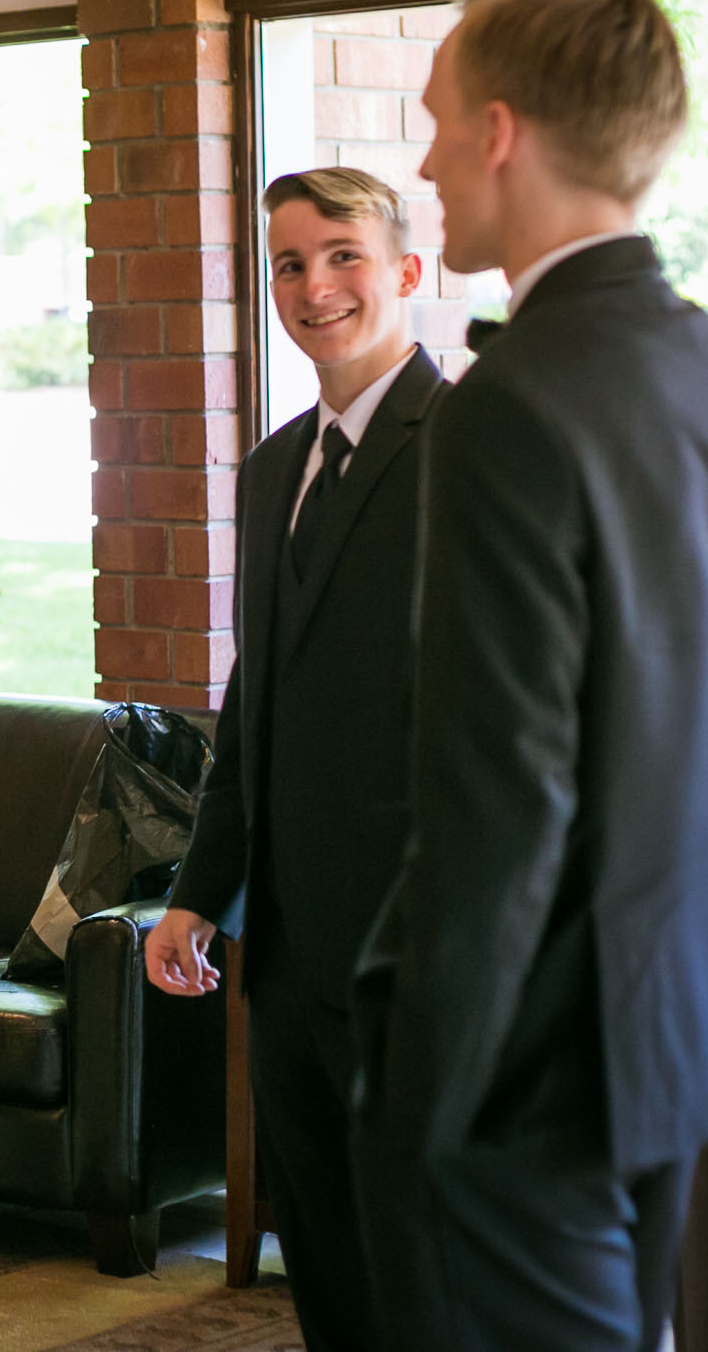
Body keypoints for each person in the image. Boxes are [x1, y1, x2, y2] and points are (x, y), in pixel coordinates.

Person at [350, 0, 708, 1352]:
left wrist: (416, 1104)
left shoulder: (510, 409)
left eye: (436, 123)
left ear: (502, 131)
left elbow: (499, 798)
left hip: (518, 1076)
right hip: (674, 1043)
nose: (424, 162)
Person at [144, 166, 445, 1349]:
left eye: (342, 256)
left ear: (405, 272)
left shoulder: (468, 449)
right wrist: (196, 895)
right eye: (287, 262)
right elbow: (252, 702)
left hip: (417, 952)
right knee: (323, 1260)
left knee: (422, 1265)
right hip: (288, 950)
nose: (313, 285)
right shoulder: (272, 468)